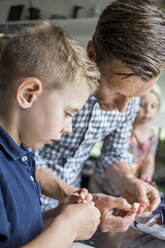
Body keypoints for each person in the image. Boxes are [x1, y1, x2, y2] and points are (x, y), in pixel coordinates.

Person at [35, 0, 165, 232]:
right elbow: (21, 157)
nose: (125, 108)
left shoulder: (128, 103)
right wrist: (82, 199)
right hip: (17, 203)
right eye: (116, 92)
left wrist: (129, 181)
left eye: (136, 98)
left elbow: (112, 154)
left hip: (68, 211)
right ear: (92, 54)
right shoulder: (50, 82)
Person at [0, 22, 101, 248]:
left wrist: (56, 216)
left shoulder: (22, 159)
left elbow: (18, 234)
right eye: (67, 113)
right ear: (28, 94)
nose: (69, 128)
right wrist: (68, 226)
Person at [129, 84, 161, 185]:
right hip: (107, 183)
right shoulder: (124, 129)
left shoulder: (152, 137)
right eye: (142, 105)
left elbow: (148, 161)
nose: (148, 111)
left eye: (153, 106)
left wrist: (145, 179)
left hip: (130, 184)